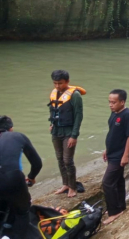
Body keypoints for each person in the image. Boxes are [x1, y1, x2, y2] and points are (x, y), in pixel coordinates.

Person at [0, 116, 43, 239]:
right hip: (13, 178)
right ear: (11, 128)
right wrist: (31, 177)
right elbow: (37, 163)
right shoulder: (17, 136)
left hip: (8, 178)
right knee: (22, 212)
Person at [48, 69, 85, 198]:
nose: (58, 86)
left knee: (67, 160)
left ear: (67, 81)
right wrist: (52, 123)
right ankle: (65, 184)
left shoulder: (75, 95)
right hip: (56, 131)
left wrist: (74, 136)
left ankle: (73, 187)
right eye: (55, 83)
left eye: (60, 83)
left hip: (69, 132)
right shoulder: (54, 93)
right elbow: (53, 110)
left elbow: (78, 116)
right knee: (59, 159)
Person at [102, 89, 129, 225]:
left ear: (122, 102)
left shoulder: (127, 116)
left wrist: (126, 155)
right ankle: (120, 205)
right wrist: (106, 149)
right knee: (118, 180)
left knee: (107, 183)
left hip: (119, 155)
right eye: (109, 102)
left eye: (114, 102)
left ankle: (114, 212)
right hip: (112, 152)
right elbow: (113, 132)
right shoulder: (114, 113)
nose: (111, 105)